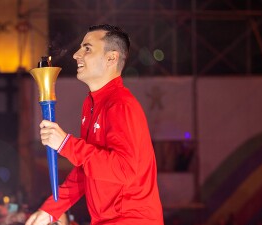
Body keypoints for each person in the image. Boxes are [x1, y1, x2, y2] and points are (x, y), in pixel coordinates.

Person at [25, 24, 164, 225]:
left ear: (111, 57)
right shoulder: (92, 104)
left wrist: (66, 144)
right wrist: (51, 210)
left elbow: (124, 170)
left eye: (87, 48)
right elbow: (86, 169)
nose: (76, 55)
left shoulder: (120, 105)